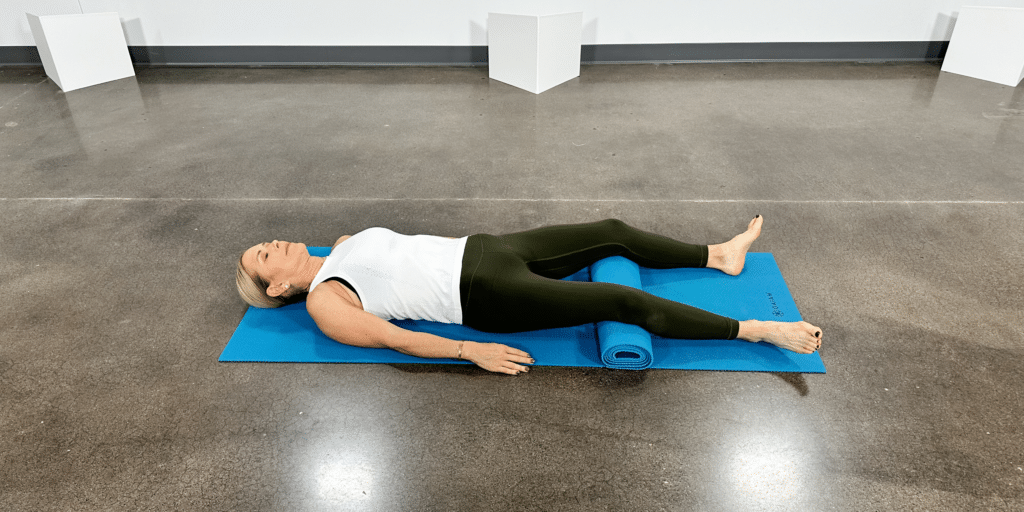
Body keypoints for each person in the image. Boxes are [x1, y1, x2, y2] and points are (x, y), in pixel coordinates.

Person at [236, 216, 823, 375]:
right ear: (279, 286)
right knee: (621, 301)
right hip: (487, 293)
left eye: (262, 245)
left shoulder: (340, 243)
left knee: (610, 233)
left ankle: (717, 256)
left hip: (488, 247)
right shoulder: (325, 300)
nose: (271, 243)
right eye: (264, 257)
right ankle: (757, 329)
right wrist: (472, 352)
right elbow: (394, 338)